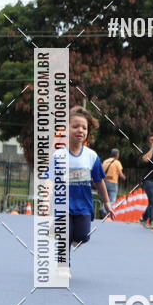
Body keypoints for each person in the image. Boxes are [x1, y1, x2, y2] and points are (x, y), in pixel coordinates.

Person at [65, 106, 115, 277]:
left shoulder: (92, 156)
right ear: (67, 128)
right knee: (65, 234)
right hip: (62, 204)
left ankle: (70, 239)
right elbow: (49, 179)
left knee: (83, 236)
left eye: (84, 127)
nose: (80, 130)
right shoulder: (58, 154)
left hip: (84, 205)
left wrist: (107, 203)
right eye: (76, 126)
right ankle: (64, 266)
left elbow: (99, 181)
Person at [100, 148, 125, 216]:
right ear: (117, 155)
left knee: (105, 199)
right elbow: (120, 173)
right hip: (113, 183)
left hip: (104, 183)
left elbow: (101, 172)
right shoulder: (117, 162)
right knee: (112, 200)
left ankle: (105, 212)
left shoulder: (105, 161)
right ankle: (103, 209)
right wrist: (124, 177)